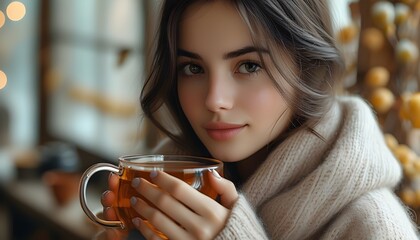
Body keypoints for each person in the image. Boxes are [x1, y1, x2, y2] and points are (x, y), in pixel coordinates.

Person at [101, 0, 419, 239]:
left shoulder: (375, 226)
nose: (215, 100)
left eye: (249, 66)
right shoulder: (171, 187)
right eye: (193, 68)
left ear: (305, 66)